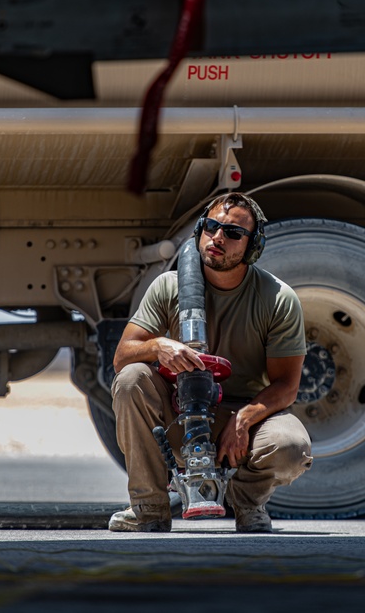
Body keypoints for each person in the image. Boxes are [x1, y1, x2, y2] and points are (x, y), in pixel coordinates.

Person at [108, 192, 312, 533]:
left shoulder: (277, 299)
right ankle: (149, 509)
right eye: (211, 227)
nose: (218, 237)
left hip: (242, 415)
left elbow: (287, 386)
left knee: (291, 447)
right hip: (178, 413)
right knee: (131, 379)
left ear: (252, 245)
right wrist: (158, 346)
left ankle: (248, 504)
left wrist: (245, 420)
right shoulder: (167, 287)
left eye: (233, 233)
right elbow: (121, 356)